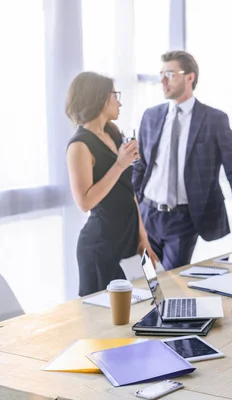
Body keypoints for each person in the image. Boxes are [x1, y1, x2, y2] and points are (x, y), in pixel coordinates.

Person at [133, 51, 232, 271]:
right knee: (144, 283)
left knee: (171, 284)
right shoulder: (150, 116)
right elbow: (140, 167)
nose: (162, 80)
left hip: (184, 220)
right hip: (148, 214)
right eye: (161, 74)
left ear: (190, 77)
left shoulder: (215, 120)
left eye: (169, 74)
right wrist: (132, 210)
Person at [65, 72, 159, 297]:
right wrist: (120, 164)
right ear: (98, 98)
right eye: (115, 95)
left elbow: (129, 192)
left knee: (147, 302)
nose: (120, 101)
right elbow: (85, 202)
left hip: (128, 239)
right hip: (101, 245)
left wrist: (143, 238)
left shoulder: (114, 134)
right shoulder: (79, 145)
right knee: (104, 320)